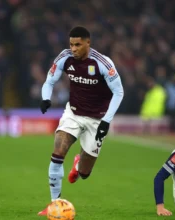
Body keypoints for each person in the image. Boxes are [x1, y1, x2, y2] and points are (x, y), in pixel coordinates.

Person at [38, 26, 124, 215]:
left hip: (97, 119)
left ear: (88, 43)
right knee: (58, 152)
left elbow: (119, 92)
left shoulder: (102, 63)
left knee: (84, 174)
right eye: (71, 44)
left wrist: (106, 121)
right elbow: (49, 80)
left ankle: (79, 163)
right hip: (73, 114)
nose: (74, 48)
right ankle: (55, 204)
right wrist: (46, 97)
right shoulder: (64, 57)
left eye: (78, 44)